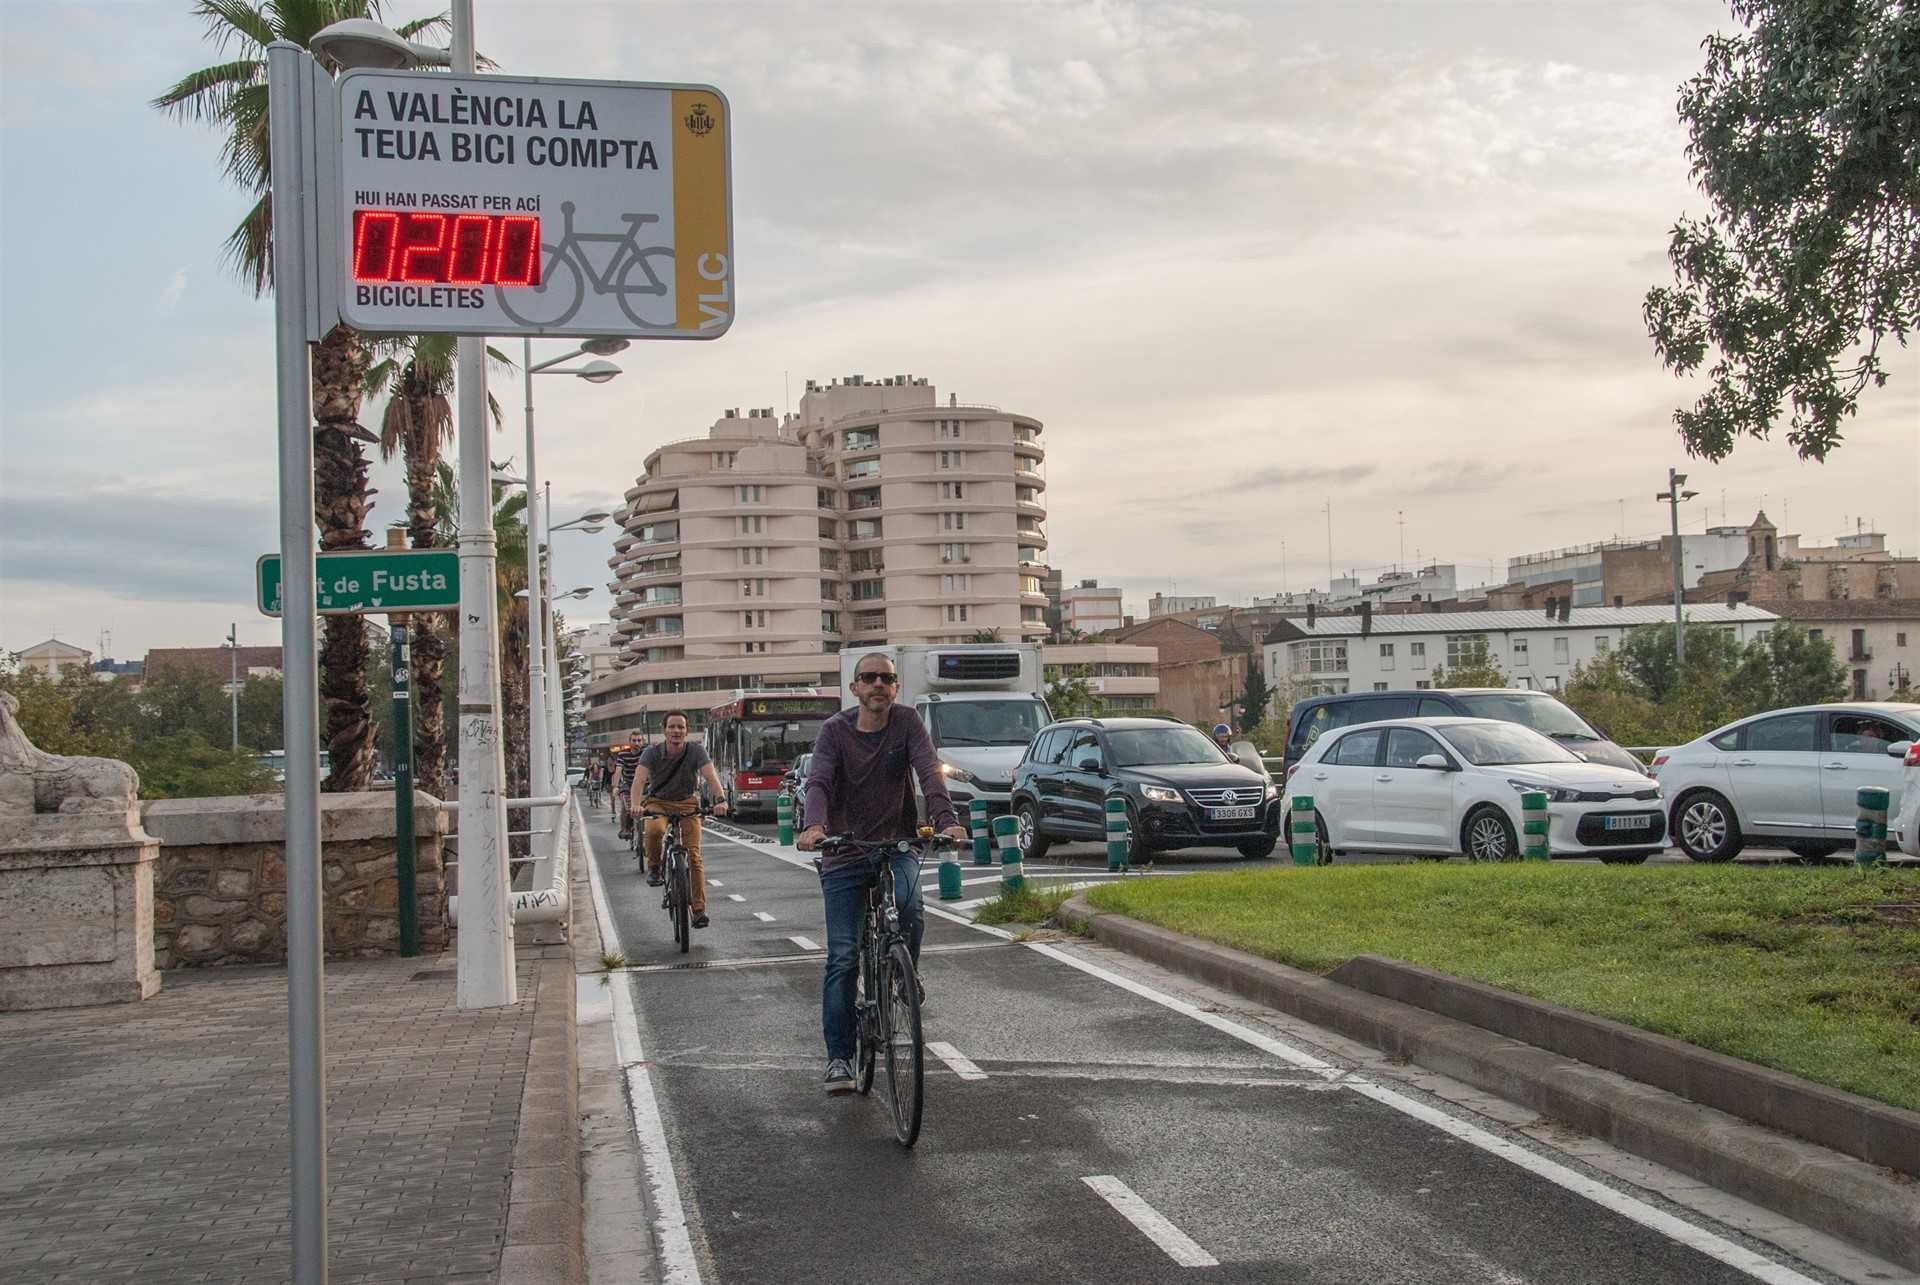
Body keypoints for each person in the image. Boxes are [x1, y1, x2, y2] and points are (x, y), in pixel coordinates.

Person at [797, 653, 970, 1094]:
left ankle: (901, 974)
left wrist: (947, 820)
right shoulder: (835, 731)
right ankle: (839, 1057)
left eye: (887, 678)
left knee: (910, 905)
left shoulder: (908, 722)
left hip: (896, 843)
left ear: (895, 687)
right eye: (869, 678)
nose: (878, 684)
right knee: (842, 957)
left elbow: (930, 773)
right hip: (843, 851)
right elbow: (819, 782)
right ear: (855, 687)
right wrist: (814, 827)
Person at [629, 711, 728, 928]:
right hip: (658, 802)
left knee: (693, 856)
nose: (676, 731)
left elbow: (710, 776)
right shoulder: (651, 753)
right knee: (654, 830)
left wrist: (721, 799)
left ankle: (699, 910)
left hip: (687, 803)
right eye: (672, 727)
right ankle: (654, 868)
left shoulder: (696, 751)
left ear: (686, 730)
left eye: (681, 727)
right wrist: (635, 805)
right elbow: (638, 780)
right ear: (664, 730)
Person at [612, 743, 642, 837]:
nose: (636, 743)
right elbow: (618, 770)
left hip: (644, 784)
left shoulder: (647, 752)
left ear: (642, 741)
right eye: (634, 740)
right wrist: (616, 786)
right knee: (625, 806)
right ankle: (624, 829)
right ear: (630, 742)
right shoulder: (623, 754)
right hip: (628, 784)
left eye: (639, 740)